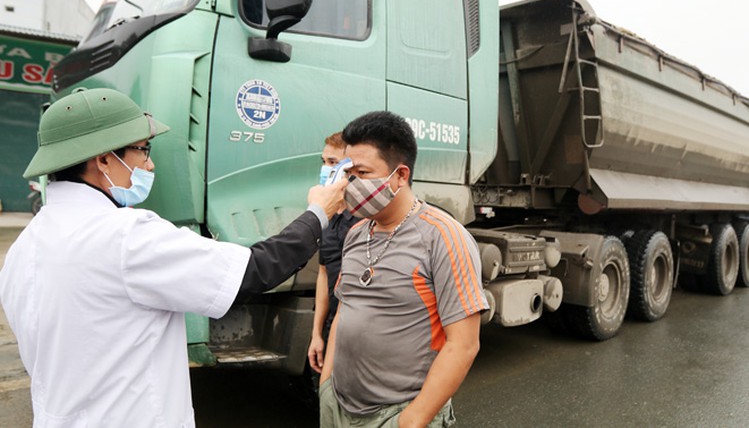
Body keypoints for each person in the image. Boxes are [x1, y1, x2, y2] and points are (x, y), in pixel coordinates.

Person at [0, 88, 346, 427]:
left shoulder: (25, 246)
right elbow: (253, 271)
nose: (150, 163)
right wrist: (318, 213)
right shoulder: (125, 236)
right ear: (104, 159)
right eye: (143, 150)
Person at [319, 111, 488, 427]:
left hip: (396, 415)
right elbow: (345, 308)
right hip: (337, 405)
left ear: (400, 175)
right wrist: (326, 385)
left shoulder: (443, 237)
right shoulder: (356, 233)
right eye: (346, 171)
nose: (348, 183)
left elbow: (464, 344)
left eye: (362, 172)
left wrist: (412, 420)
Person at [308, 132, 358, 374]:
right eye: (323, 161)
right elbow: (323, 274)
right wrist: (317, 333)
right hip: (331, 330)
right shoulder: (325, 218)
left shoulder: (365, 220)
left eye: (332, 163)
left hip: (358, 334)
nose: (324, 168)